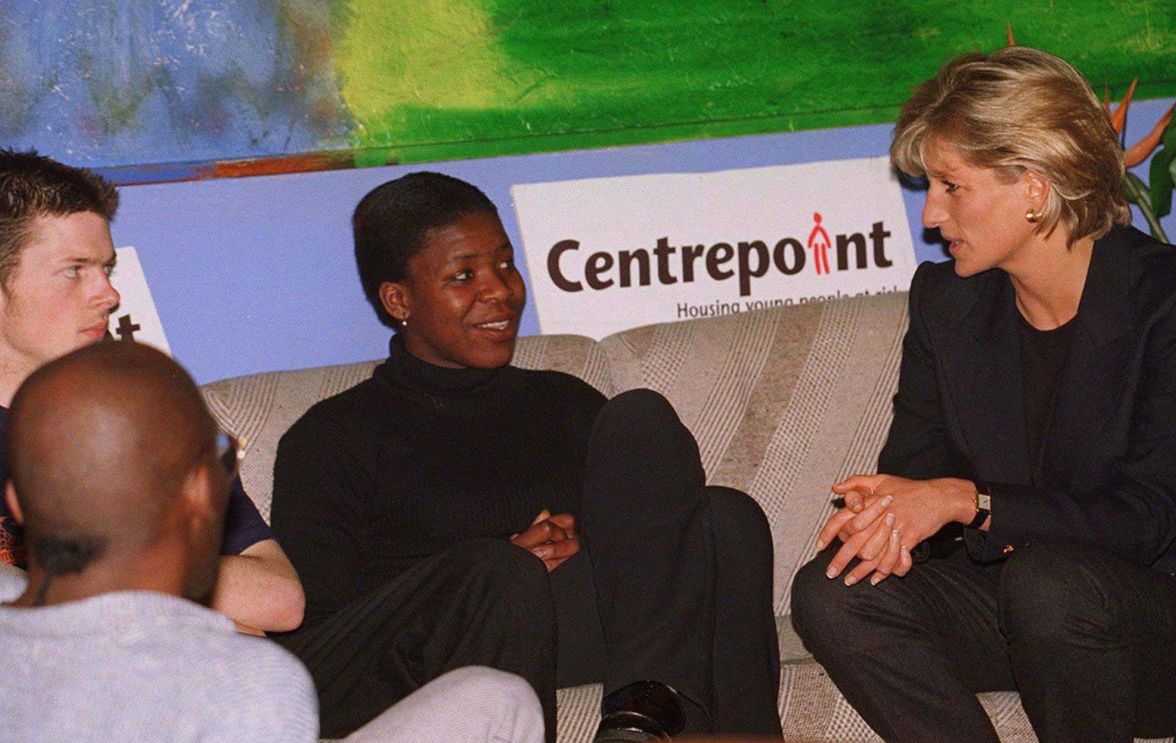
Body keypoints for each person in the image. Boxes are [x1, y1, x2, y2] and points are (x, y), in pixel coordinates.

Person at [790, 46, 1176, 743]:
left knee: (1049, 581)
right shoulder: (947, 305)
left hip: (1172, 618)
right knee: (831, 589)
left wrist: (967, 501)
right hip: (1018, 602)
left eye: (951, 187)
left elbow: (1142, 518)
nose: (930, 217)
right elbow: (916, 470)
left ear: (1034, 188)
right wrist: (888, 513)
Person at [269, 172, 783, 742]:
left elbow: (656, 545)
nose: (501, 292)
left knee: (719, 512)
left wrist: (592, 539)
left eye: (505, 265)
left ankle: (642, 717)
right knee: (501, 574)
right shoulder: (332, 437)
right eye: (463, 276)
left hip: (584, 629)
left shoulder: (565, 402)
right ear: (399, 300)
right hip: (444, 656)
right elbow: (321, 641)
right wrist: (495, 565)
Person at [0, 341, 546, 743]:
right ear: (200, 493)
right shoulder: (250, 683)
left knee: (496, 697)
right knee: (505, 703)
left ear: (19, 505)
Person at [0, 148, 304, 634]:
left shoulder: (140, 417)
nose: (110, 295)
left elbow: (278, 599)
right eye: (75, 270)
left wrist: (89, 575)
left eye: (107, 269)